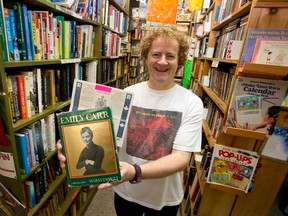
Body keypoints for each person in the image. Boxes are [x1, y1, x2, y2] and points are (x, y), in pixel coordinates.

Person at [57, 26, 203, 216]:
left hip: (164, 198)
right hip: (126, 192)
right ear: (146, 57)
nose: (162, 61)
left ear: (180, 60)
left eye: (171, 56)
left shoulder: (192, 102)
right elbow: (106, 141)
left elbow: (181, 157)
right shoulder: (127, 95)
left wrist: (135, 172)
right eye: (156, 54)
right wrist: (73, 146)